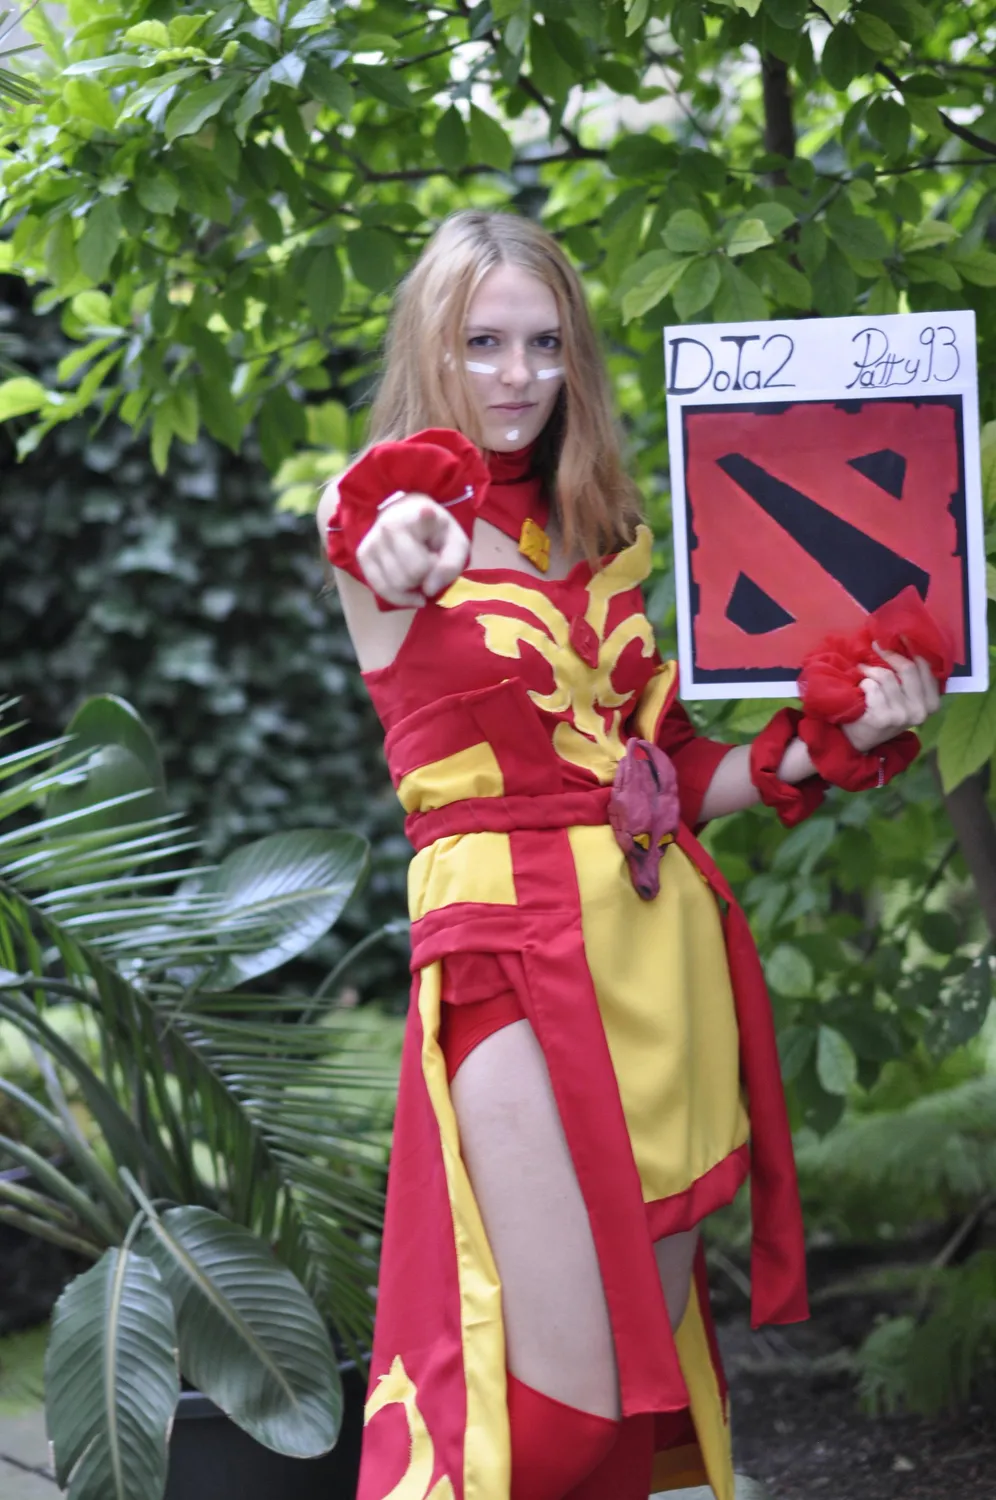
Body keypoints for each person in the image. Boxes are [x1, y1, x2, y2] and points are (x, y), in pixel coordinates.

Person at [316, 210, 941, 1500]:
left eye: (546, 344)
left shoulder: (602, 530)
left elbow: (673, 774)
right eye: (481, 342)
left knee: (633, 1404)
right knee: (557, 1405)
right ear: (430, 347)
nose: (518, 376)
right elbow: (379, 527)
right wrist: (408, 532)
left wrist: (839, 740)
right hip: (505, 951)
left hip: (660, 953)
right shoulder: (389, 517)